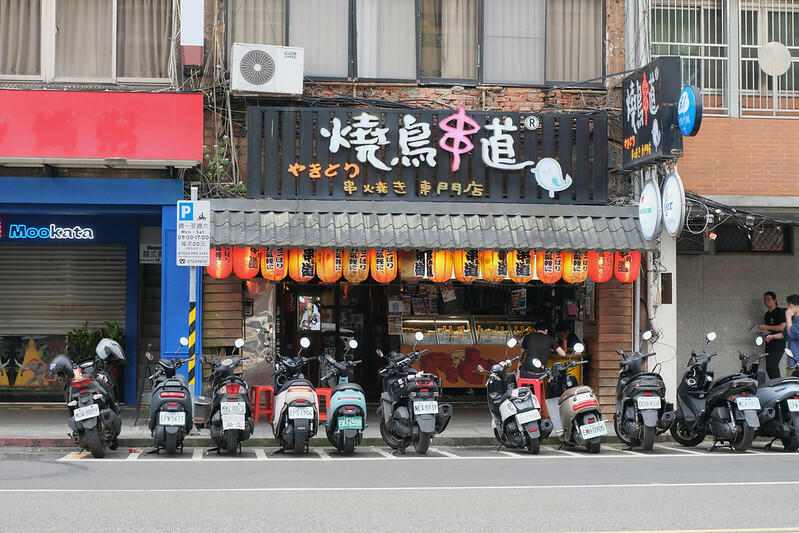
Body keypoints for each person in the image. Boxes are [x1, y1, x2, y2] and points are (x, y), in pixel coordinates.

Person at [766, 294, 799, 369]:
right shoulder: (792, 320)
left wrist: (788, 317)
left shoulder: (793, 320)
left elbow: (792, 333)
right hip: (792, 361)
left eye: (790, 306)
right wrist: (773, 336)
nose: (788, 309)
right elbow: (785, 333)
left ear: (797, 307)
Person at [759, 291, 787, 379]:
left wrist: (766, 326)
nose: (766, 301)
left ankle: (779, 386)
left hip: (778, 344)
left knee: (772, 366)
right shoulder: (767, 315)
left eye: (768, 299)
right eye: (765, 300)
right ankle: (776, 385)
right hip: (769, 344)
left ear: (774, 300)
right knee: (770, 368)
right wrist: (761, 331)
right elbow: (770, 329)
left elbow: (782, 327)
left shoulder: (779, 311)